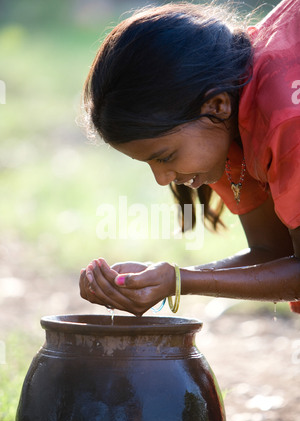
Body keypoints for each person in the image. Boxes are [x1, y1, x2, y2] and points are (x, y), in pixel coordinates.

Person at [79, 0, 300, 317]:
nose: (161, 178)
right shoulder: (224, 125)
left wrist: (180, 281)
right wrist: (168, 278)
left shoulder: (286, 121)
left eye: (166, 156)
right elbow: (274, 251)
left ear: (217, 105)